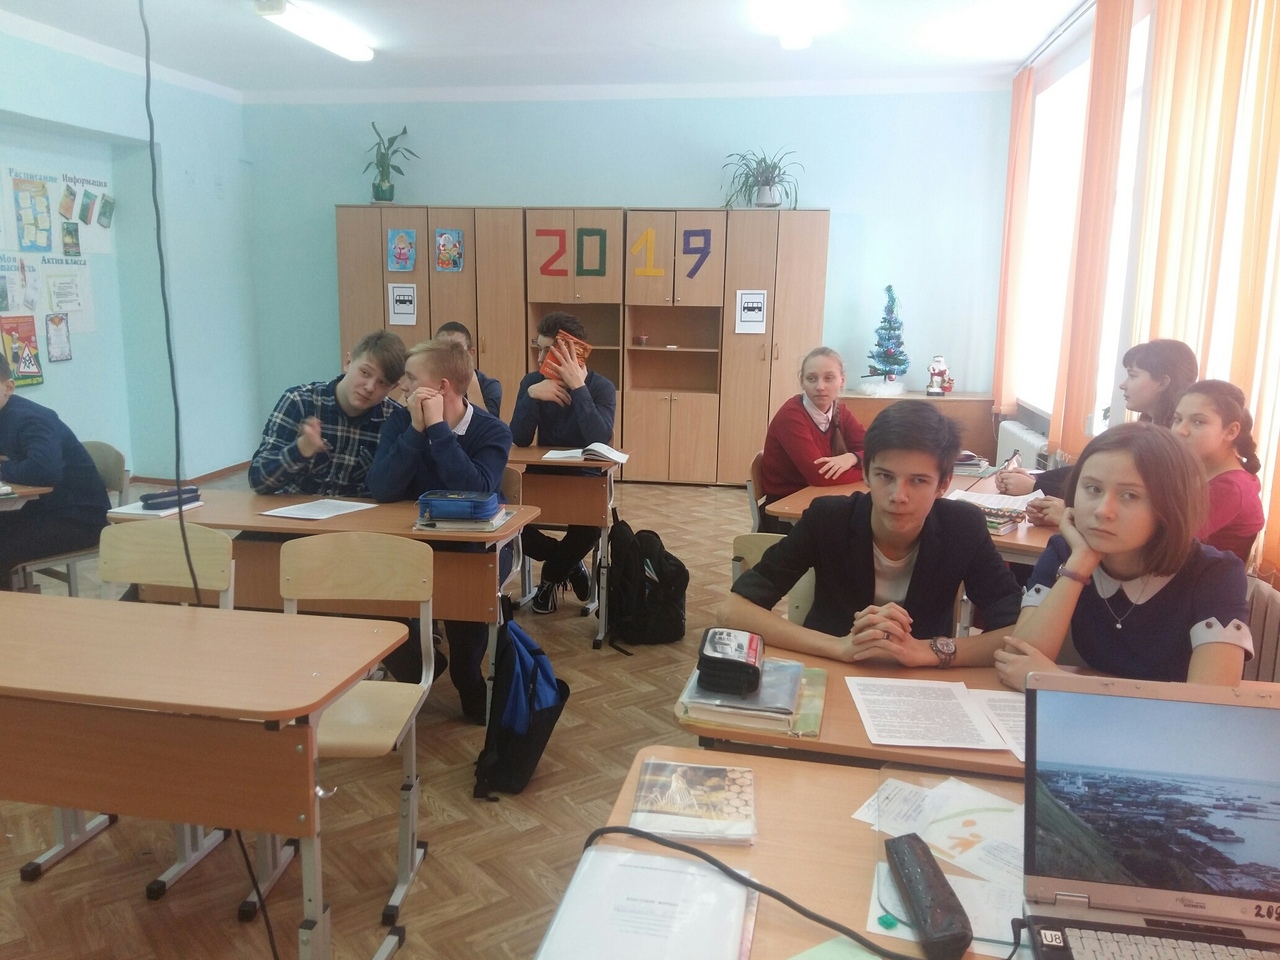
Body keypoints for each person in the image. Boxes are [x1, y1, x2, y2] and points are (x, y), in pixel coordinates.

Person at [719, 400, 1022, 665]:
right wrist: (839, 647)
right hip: (832, 672)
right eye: (885, 476)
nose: (898, 496)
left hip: (920, 682)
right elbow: (734, 610)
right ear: (865, 473)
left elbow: (1018, 633)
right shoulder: (828, 519)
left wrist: (928, 651)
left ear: (943, 484)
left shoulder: (963, 527)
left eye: (918, 481)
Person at [993, 422, 1252, 691]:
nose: (1103, 511)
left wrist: (1063, 684)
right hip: (1087, 712)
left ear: (1170, 504)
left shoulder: (1216, 574)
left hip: (1156, 721)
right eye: (1093, 489)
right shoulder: (1065, 552)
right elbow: (1018, 661)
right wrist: (1079, 564)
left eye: (1130, 495)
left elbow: (1210, 702)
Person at [367, 338, 512, 722]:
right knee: (369, 586)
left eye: (411, 378)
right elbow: (382, 488)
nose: (402, 385)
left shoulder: (492, 431)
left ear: (441, 387)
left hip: (475, 549)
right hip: (411, 543)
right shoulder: (401, 422)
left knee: (466, 593)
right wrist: (416, 432)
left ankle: (468, 676)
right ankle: (420, 665)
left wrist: (437, 429)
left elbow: (476, 490)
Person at [996, 338, 1199, 508]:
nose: (1123, 385)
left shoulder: (1170, 444)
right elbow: (1085, 472)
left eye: (1132, 376)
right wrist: (1037, 478)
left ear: (1162, 382)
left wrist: (1033, 488)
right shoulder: (1148, 427)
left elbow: (1114, 492)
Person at [511, 311, 617, 614]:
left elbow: (600, 438)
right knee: (513, 526)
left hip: (585, 479)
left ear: (574, 354)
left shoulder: (601, 387)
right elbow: (519, 438)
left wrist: (579, 389)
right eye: (539, 348)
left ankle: (551, 577)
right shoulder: (533, 382)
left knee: (591, 528)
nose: (540, 358)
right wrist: (531, 395)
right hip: (541, 478)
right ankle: (567, 563)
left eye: (548, 351)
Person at [249, 329, 406, 498]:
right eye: (365, 373)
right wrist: (300, 449)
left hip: (357, 512)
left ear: (393, 387)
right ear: (348, 362)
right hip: (295, 509)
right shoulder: (299, 401)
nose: (369, 387)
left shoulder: (394, 418)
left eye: (382, 383)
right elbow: (258, 481)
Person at [0, 354, 110, 589]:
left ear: (9, 387)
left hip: (77, 517)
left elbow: (44, 470)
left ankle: (14, 608)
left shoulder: (32, 419)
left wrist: (3, 468)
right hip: (33, 509)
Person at [758, 346, 866, 532]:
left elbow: (877, 450)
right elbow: (820, 476)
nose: (820, 387)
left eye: (829, 378)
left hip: (820, 500)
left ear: (842, 380)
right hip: (786, 513)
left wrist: (852, 458)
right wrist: (868, 472)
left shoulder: (840, 411)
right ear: (802, 381)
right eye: (811, 378)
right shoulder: (791, 416)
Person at [1171, 380, 1264, 563]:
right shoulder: (1199, 471)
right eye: (1177, 419)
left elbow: (1164, 541)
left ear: (1230, 431)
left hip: (1198, 578)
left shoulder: (1230, 487)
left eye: (1198, 422)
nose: (1180, 430)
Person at [434, 321, 502, 417]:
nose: (448, 356)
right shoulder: (427, 379)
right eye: (441, 350)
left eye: (456, 350)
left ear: (470, 353)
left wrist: (469, 377)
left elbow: (488, 424)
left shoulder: (489, 386)